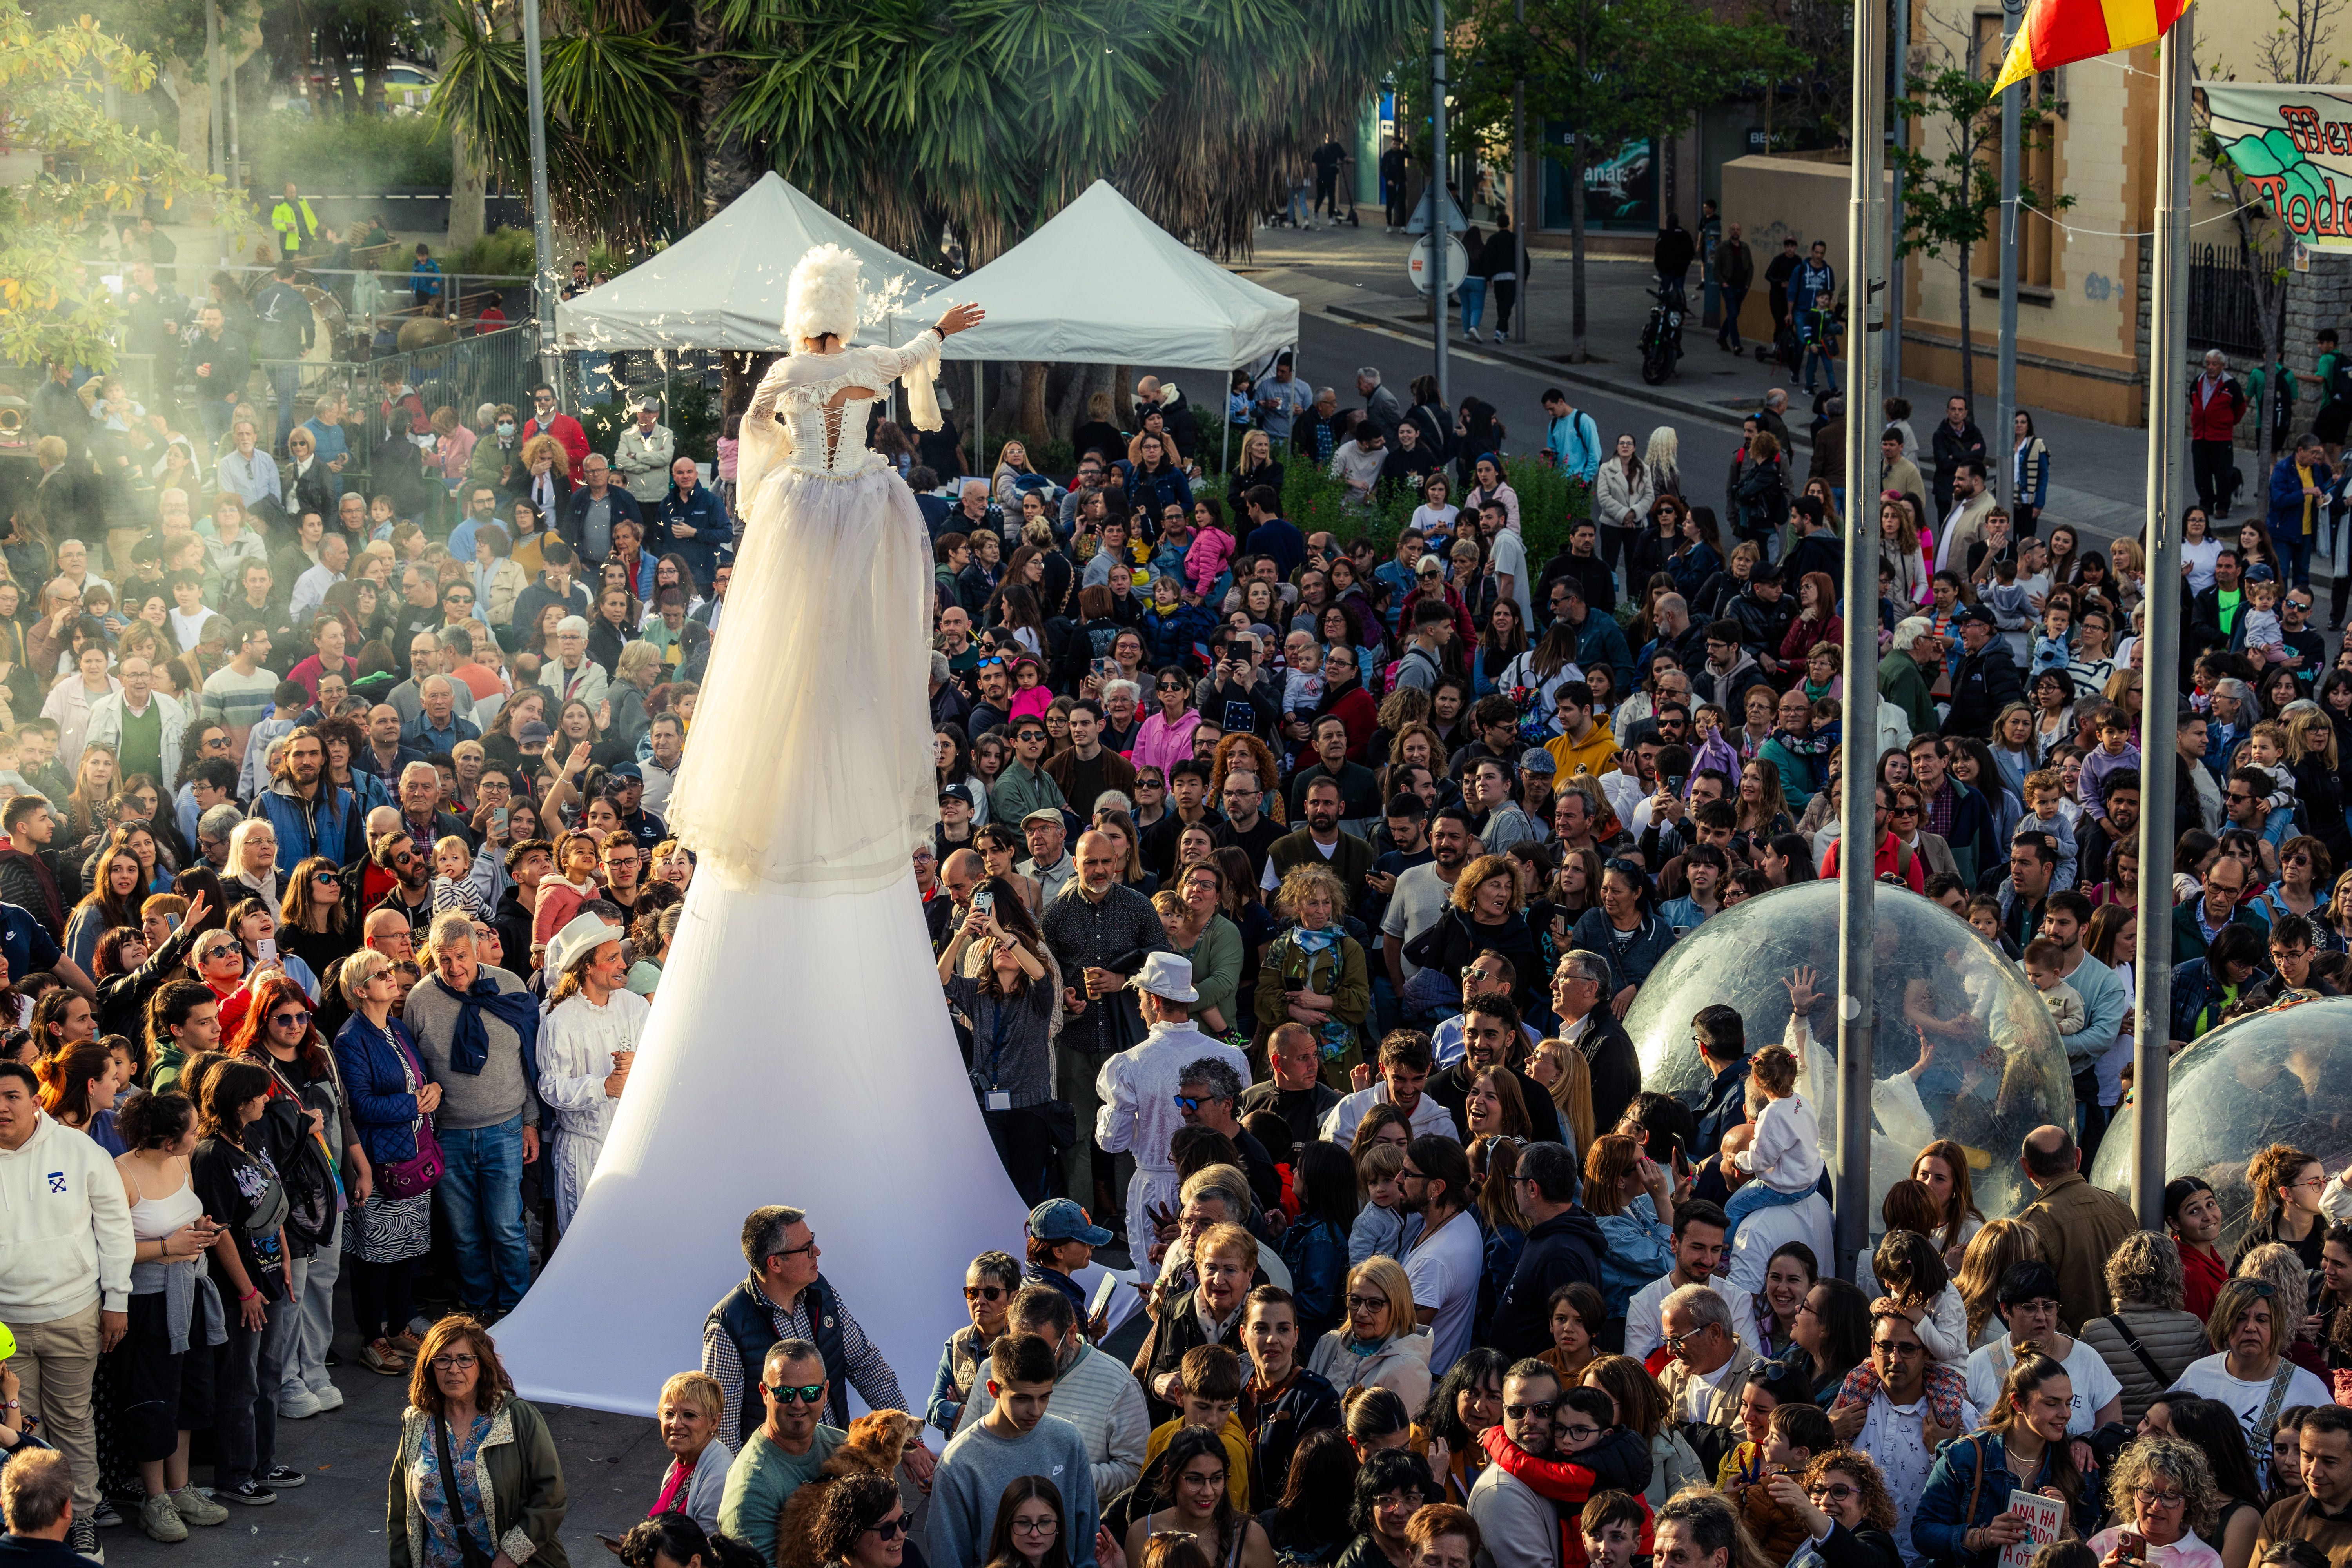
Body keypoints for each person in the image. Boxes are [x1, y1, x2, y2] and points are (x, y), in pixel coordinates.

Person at [0, 1058, 132, 1559]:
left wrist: (116, 1301)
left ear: (36, 1100)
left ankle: (81, 1519)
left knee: (73, 1420)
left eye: (12, 1096)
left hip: (74, 1310)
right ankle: (28, 1530)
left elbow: (115, 1227)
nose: (2, 1108)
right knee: (19, 1430)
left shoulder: (78, 1149)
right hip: (4, 1323)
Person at [1094, 953, 1251, 1282]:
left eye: (1140, 999)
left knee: (1164, 1290)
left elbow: (1113, 1141)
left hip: (1157, 1190)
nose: (1139, 1009)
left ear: (1154, 1000)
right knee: (1219, 1279)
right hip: (1220, 1185)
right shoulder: (1230, 1056)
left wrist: (1112, 1110)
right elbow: (1240, 1121)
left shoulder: (1129, 1064)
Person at [704, 1205, 911, 1453]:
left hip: (835, 1461)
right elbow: (722, 1433)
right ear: (776, 1263)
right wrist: (753, 1485)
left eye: (814, 1242)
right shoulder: (728, 1325)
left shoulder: (821, 1292)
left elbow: (865, 1364)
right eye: (808, 1248)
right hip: (777, 1477)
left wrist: (905, 1436)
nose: (818, 1252)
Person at [387, 1315, 569, 1568]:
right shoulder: (417, 1423)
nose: (453, 1369)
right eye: (443, 1360)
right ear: (430, 1367)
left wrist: (509, 1557)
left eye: (464, 1359)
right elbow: (400, 1512)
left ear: (481, 1365)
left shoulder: (516, 1418)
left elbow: (551, 1495)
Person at [929, 1332, 1101, 1568]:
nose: (1036, 1410)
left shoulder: (1068, 1440)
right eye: (1023, 1399)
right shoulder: (957, 1464)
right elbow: (948, 1556)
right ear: (994, 1389)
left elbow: (1087, 1538)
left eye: (1045, 1397)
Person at [2014, 1124, 2139, 1321]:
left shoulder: (2030, 1226)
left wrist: (2071, 1344)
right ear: (2078, 1157)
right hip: (2129, 1342)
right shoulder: (2120, 1206)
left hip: (2071, 1346)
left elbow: (2035, 1307)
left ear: (2026, 1167)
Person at [646, 1374, 733, 1536]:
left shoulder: (719, 1475)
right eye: (669, 1413)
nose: (676, 1424)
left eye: (689, 1415)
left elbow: (705, 1551)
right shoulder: (682, 1464)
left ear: (714, 1422)